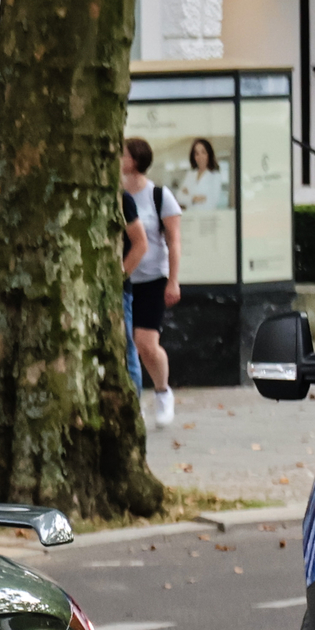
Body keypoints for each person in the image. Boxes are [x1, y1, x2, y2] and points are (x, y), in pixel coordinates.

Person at [123, 137, 182, 427]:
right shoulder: (115, 195)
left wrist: (173, 281)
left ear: (134, 161)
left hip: (152, 279)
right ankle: (132, 402)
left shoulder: (159, 196)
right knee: (125, 345)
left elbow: (173, 241)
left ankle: (162, 392)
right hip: (123, 282)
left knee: (145, 343)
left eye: (122, 154)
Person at [120, 183, 147, 387]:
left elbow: (140, 243)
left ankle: (135, 408)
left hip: (120, 291)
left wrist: (120, 276)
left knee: (128, 351)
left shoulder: (123, 199)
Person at [178, 137, 227, 212]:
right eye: (197, 153)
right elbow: (179, 196)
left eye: (203, 152)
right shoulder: (190, 174)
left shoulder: (215, 176)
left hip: (206, 219)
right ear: (194, 156)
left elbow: (212, 202)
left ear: (209, 154)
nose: (200, 157)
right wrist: (194, 199)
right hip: (191, 219)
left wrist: (188, 196)